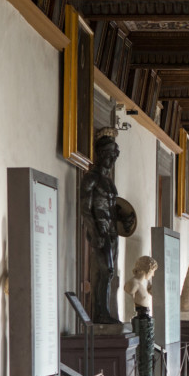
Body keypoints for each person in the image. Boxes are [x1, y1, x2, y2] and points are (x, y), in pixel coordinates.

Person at [81, 128, 136, 324]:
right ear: (101, 154)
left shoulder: (109, 182)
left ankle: (109, 311)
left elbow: (113, 208)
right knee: (105, 270)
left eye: (115, 156)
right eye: (109, 155)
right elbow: (85, 209)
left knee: (111, 272)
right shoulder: (92, 178)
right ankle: (100, 313)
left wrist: (124, 219)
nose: (112, 160)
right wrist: (94, 232)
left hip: (112, 231)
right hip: (101, 231)